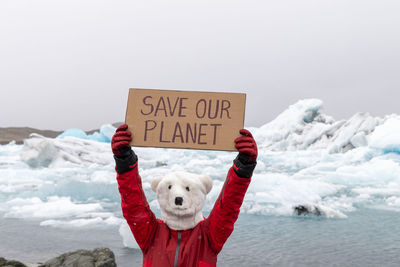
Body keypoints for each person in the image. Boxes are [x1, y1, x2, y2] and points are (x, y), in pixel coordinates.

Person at [111, 124, 257, 267]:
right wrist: (125, 162)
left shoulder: (209, 236)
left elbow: (228, 207)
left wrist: (243, 168)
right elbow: (134, 205)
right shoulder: (151, 234)